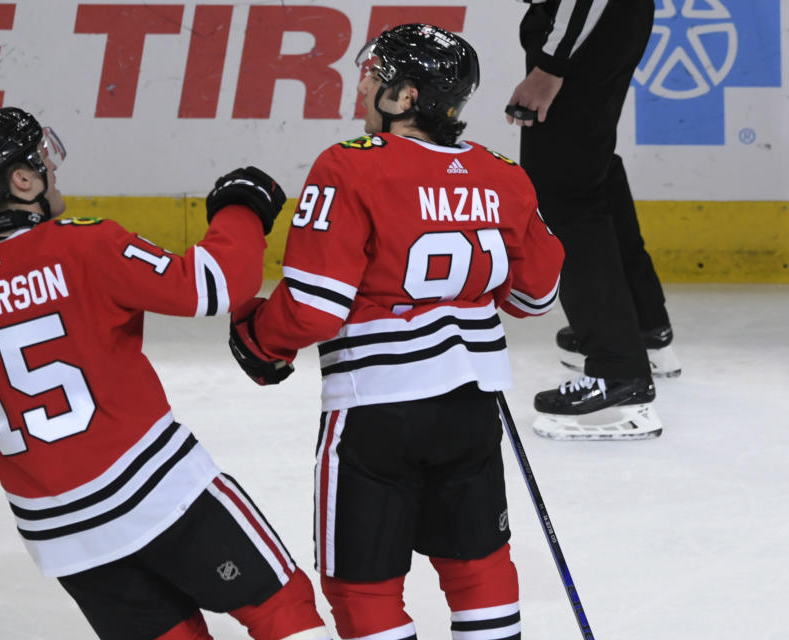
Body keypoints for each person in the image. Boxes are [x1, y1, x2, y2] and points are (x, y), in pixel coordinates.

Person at [0, 107, 331, 640]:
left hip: (64, 537)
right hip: (162, 495)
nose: (53, 168)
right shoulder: (84, 245)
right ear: (22, 182)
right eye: (42, 160)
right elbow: (212, 286)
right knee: (284, 611)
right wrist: (242, 206)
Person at [227, 24, 564, 640]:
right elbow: (535, 296)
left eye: (375, 77)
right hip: (471, 408)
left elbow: (311, 307)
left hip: (376, 414)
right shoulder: (503, 174)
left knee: (363, 583)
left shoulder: (348, 167)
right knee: (478, 564)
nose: (362, 88)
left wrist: (257, 338)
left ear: (407, 97)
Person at [505, 0, 681, 440]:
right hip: (603, 21)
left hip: (585, 25)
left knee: (565, 191)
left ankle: (619, 375)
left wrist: (551, 63)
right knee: (589, 169)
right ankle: (642, 328)